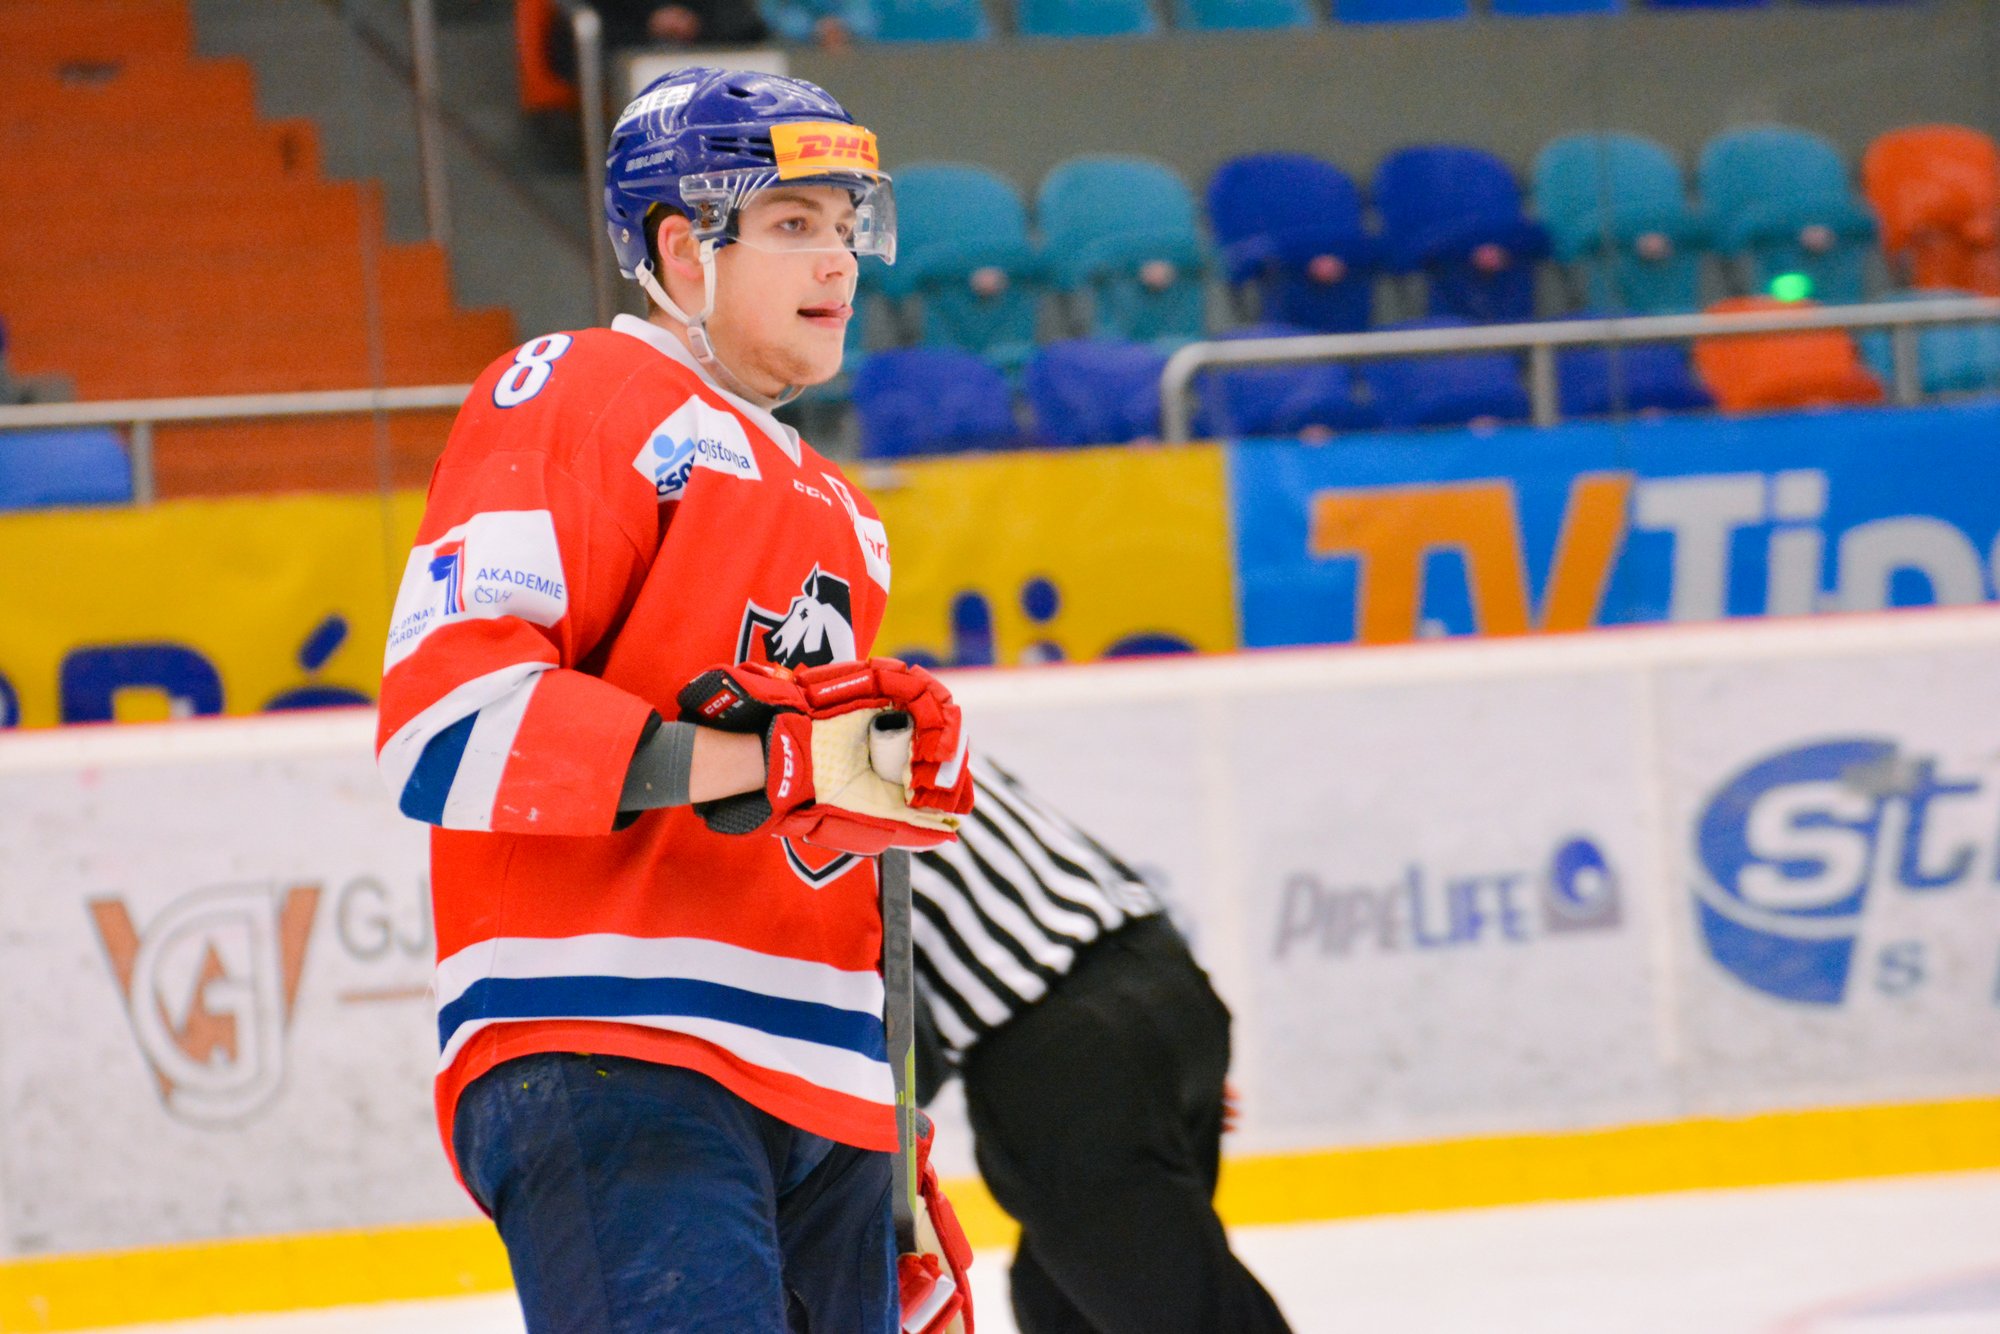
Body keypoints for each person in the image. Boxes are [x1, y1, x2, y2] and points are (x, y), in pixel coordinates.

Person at [375, 67, 974, 1333]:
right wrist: (761, 762)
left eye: (846, 224)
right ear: (680, 251)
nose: (839, 260)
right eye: (792, 223)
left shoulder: (847, 514)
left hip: (824, 1094)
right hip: (617, 1039)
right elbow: (447, 723)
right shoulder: (580, 387)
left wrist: (893, 1132)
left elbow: (820, 842)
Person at [912, 755, 1294, 1334]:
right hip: (1165, 985)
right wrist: (1150, 1051)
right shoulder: (906, 717)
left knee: (1176, 1310)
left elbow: (880, 1016)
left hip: (1063, 1061)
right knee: (1062, 1297)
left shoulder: (786, 793)